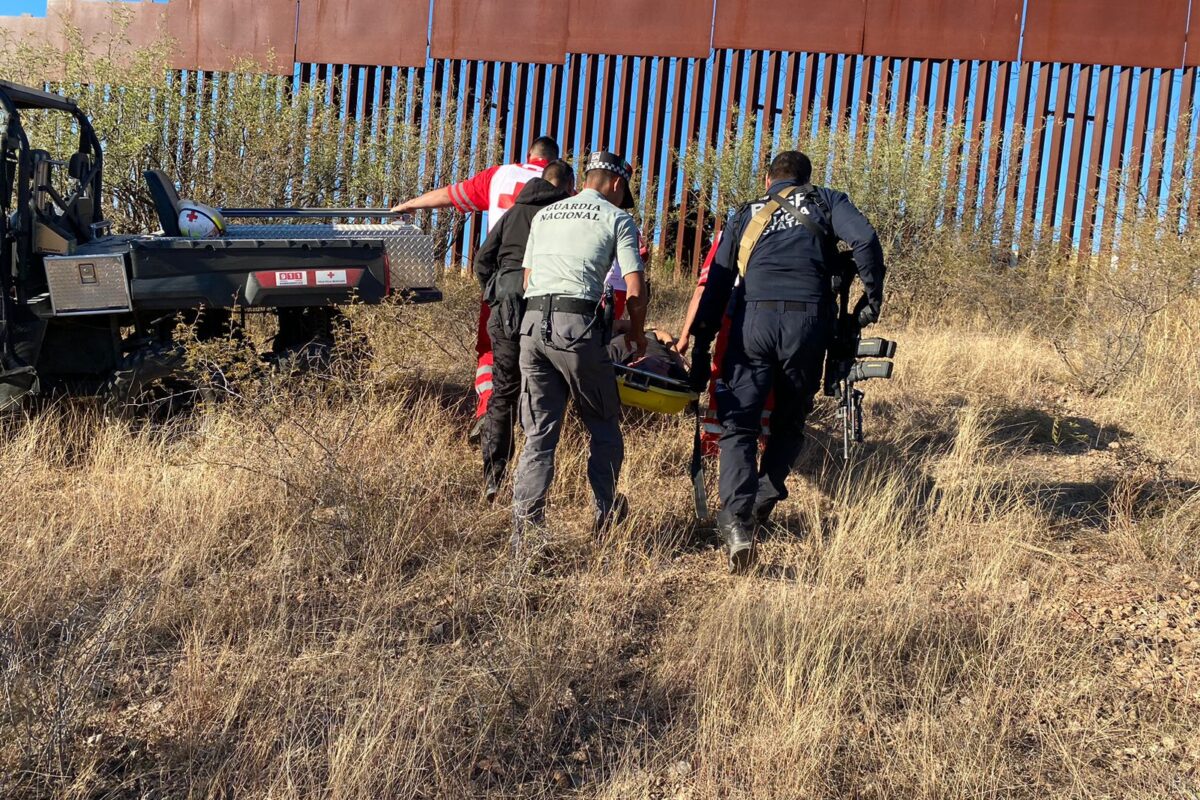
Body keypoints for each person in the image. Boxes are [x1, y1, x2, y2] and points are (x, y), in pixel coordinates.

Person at [685, 151, 885, 572]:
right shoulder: (826, 200)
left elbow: (718, 281)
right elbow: (865, 240)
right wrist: (871, 299)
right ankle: (762, 498)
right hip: (808, 324)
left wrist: (702, 345)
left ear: (767, 179)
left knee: (739, 425)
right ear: (807, 179)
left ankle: (737, 522)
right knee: (790, 421)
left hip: (752, 321)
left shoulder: (745, 213)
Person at [511, 151, 647, 546]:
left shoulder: (545, 215)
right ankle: (606, 515)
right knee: (603, 422)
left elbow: (528, 278)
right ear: (617, 184)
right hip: (577, 329)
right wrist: (637, 334)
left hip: (532, 327)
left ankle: (525, 534)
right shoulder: (617, 218)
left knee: (539, 435)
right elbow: (635, 289)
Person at [391, 136, 561, 439]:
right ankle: (530, 420)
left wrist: (410, 204)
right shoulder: (562, 185)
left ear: (528, 154)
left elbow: (451, 194)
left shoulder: (499, 175)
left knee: (490, 349)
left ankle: (487, 412)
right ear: (554, 160)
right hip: (546, 281)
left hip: (501, 280)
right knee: (538, 351)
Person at [472, 159, 576, 502]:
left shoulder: (514, 212)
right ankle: (531, 479)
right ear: (567, 186)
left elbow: (482, 260)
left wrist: (497, 294)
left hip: (504, 310)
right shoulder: (562, 215)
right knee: (542, 391)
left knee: (503, 391)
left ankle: (493, 475)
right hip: (544, 310)